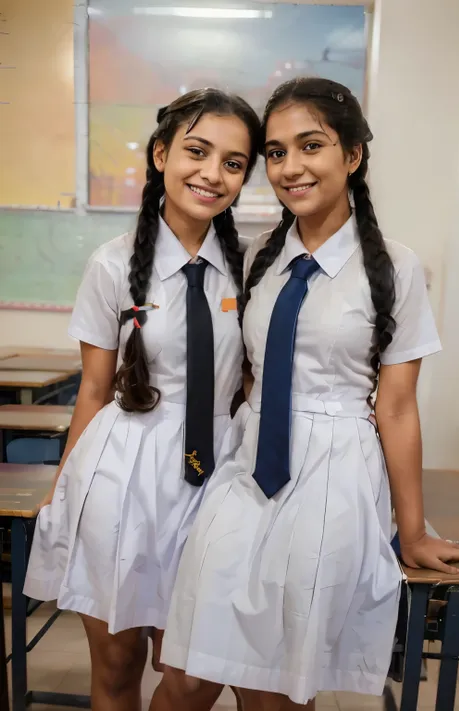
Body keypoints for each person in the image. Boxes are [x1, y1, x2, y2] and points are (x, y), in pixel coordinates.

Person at [156, 78, 459, 710]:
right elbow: (247, 374)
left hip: (334, 475)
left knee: (273, 683)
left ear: (352, 155)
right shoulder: (258, 260)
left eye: (310, 146)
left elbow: (398, 406)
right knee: (188, 677)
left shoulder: (396, 267)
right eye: (275, 152)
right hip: (247, 473)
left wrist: (410, 532)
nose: (290, 168)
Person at [23, 88, 260, 711]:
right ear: (161, 154)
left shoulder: (251, 267)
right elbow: (94, 390)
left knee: (191, 670)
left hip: (215, 475)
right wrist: (65, 488)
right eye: (197, 152)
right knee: (119, 662)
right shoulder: (110, 265)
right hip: (124, 471)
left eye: (233, 163)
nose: (212, 174)